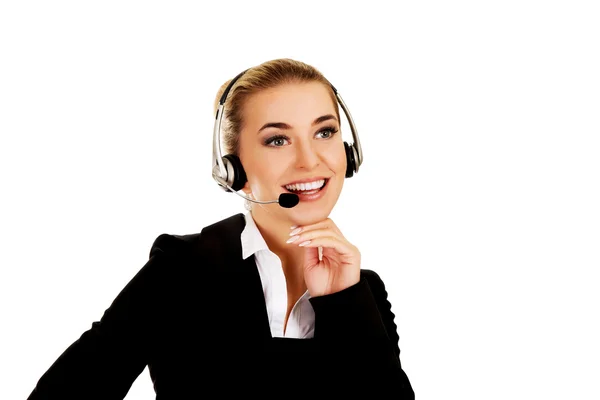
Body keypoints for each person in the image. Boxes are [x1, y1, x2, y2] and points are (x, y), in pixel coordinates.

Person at [27, 58, 415, 398]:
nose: (310, 160)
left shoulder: (364, 291)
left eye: (325, 132)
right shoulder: (181, 269)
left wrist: (343, 303)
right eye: (277, 139)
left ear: (349, 153)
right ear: (234, 171)